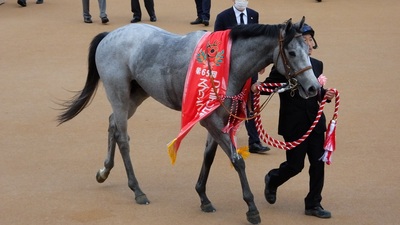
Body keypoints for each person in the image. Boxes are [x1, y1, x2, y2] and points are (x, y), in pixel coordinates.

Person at [253, 24, 335, 218]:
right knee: (295, 165)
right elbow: (269, 86)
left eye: (310, 40)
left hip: (315, 122)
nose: (309, 43)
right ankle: (273, 179)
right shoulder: (284, 65)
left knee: (318, 164)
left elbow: (315, 90)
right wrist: (257, 88)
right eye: (305, 40)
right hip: (294, 123)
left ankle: (313, 204)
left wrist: (326, 94)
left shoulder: (317, 64)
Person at [214, 0, 270, 154]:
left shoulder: (253, 15)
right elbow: (216, 42)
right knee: (229, 102)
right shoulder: (223, 17)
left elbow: (257, 41)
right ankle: (222, 134)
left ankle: (255, 142)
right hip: (230, 70)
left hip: (249, 68)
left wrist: (260, 63)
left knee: (250, 103)